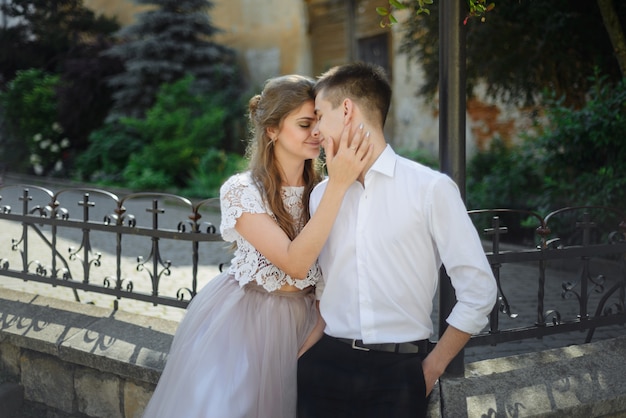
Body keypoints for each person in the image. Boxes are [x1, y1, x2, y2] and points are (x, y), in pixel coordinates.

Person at [142, 74, 372, 418]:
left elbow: (340, 263)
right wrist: (339, 185)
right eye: (305, 123)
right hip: (249, 320)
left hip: (316, 319)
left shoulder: (324, 190)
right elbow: (295, 263)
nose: (316, 133)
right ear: (272, 130)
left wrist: (322, 322)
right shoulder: (243, 191)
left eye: (319, 123)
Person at [297, 62, 498, 417]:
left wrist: (431, 368)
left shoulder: (430, 189)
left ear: (346, 110)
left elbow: (479, 291)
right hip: (324, 369)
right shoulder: (321, 196)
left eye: (319, 116)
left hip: (400, 375)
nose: (316, 132)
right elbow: (324, 283)